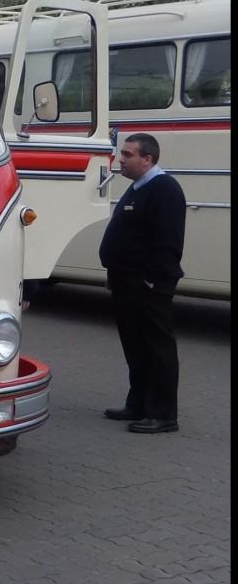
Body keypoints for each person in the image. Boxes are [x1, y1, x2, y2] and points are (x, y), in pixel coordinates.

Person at [98, 132, 186, 435]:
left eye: (127, 154)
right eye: (122, 154)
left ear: (147, 159)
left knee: (156, 348)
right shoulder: (138, 187)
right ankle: (138, 404)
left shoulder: (164, 190)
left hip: (148, 285)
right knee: (135, 346)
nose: (120, 159)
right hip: (126, 282)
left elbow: (169, 242)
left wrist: (151, 278)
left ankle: (163, 415)